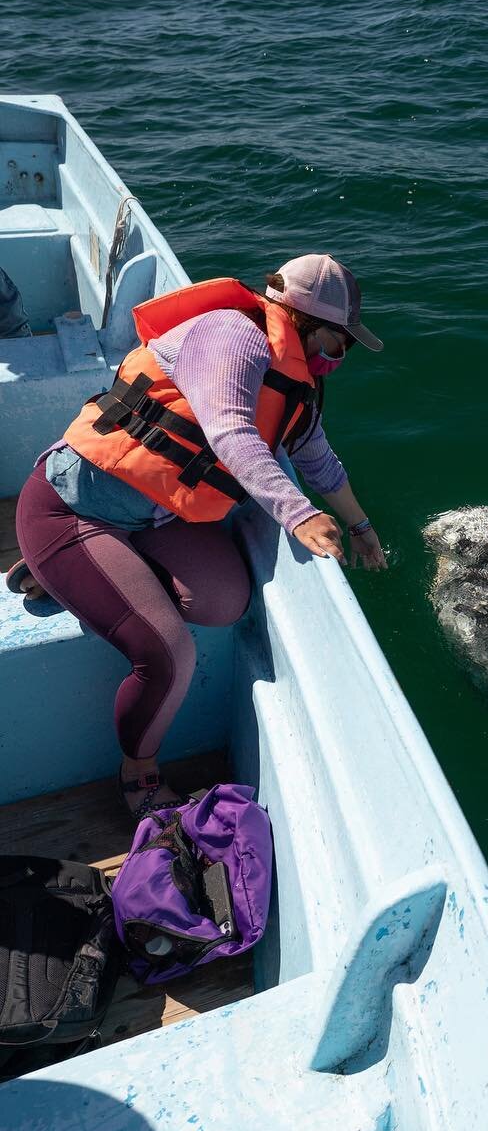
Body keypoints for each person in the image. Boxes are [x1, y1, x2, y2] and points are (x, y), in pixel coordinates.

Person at [5, 254, 388, 818]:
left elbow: (316, 456)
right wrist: (298, 514)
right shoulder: (230, 334)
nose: (339, 358)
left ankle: (84, 578)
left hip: (153, 518)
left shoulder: (295, 379)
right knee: (168, 655)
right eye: (339, 343)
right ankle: (138, 769)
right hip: (72, 508)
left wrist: (360, 527)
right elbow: (230, 430)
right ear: (306, 320)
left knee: (222, 601)